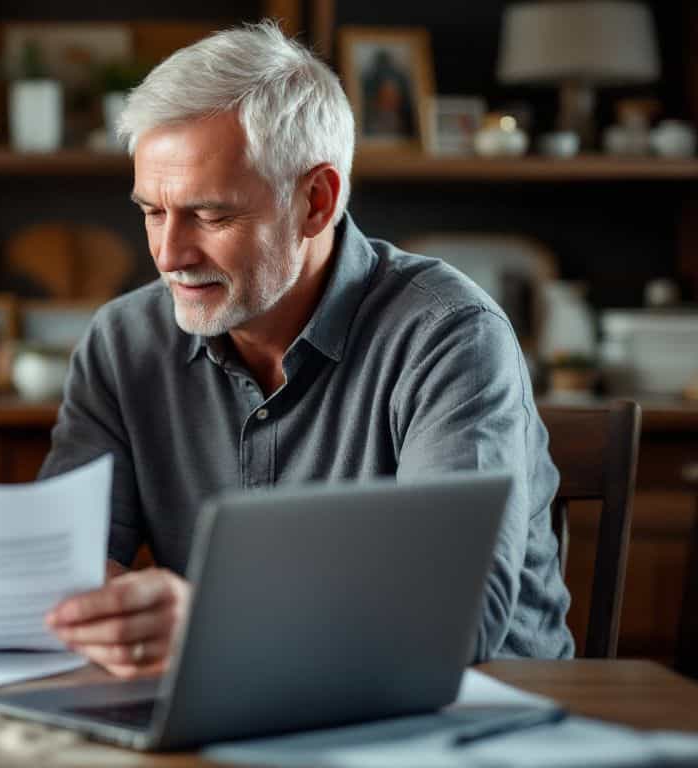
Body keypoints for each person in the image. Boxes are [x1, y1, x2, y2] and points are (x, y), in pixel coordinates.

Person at [42, 22, 572, 678]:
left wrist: (211, 623)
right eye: (152, 211)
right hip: (238, 704)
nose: (168, 255)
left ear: (315, 203)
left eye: (210, 215)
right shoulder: (124, 342)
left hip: (473, 717)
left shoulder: (450, 333)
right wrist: (87, 596)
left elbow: (458, 618)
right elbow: (62, 564)